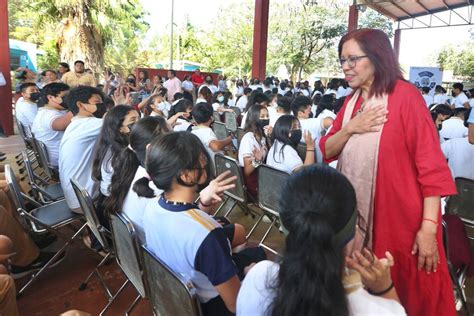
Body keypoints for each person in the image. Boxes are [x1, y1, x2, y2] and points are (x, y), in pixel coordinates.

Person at [320, 28, 457, 316]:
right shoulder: (351, 103)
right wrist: (351, 128)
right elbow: (327, 148)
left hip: (402, 228)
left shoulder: (405, 97)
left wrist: (429, 228)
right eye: (342, 60)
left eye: (353, 59)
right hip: (357, 225)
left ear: (377, 57)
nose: (346, 67)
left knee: (409, 297)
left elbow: (431, 169)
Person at [236, 164, 405, 316]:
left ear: (284, 224)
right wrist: (385, 288)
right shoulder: (381, 311)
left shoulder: (257, 279)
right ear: (352, 231)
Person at [142, 132, 265, 315]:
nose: (205, 162)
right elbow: (235, 304)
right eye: (200, 158)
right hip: (212, 306)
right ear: (186, 176)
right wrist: (253, 274)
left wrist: (204, 203)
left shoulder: (152, 207)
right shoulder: (207, 235)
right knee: (262, 265)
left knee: (254, 253)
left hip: (182, 298)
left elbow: (187, 227)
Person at [59, 86, 106, 212]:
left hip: (75, 195)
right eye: (97, 102)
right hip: (85, 201)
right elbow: (122, 123)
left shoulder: (76, 124)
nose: (102, 106)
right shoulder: (87, 124)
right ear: (80, 105)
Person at [91, 105, 139, 224]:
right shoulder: (124, 155)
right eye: (133, 120)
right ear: (120, 129)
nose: (140, 123)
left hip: (106, 204)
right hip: (114, 214)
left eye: (139, 118)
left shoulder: (110, 145)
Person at [32, 82, 72, 167]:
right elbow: (60, 125)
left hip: (57, 157)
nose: (69, 99)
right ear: (50, 97)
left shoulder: (53, 111)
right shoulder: (47, 114)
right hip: (59, 161)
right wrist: (77, 106)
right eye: (65, 97)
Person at [238, 104, 271, 198]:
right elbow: (247, 172)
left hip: (261, 173)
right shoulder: (249, 139)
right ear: (254, 119)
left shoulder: (261, 135)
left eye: (267, 116)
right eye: (262, 117)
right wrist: (256, 160)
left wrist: (270, 137)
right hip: (252, 180)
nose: (266, 119)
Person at [292, 96, 334, 163]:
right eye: (308, 110)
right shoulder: (312, 123)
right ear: (300, 113)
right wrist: (329, 115)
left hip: (301, 162)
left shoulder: (290, 124)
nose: (310, 112)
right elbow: (330, 122)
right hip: (319, 165)